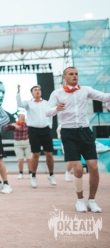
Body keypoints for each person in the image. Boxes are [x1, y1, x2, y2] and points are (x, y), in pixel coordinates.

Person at [46, 66, 110, 213]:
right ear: (64, 77)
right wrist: (56, 109)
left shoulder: (86, 90)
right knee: (79, 169)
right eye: (71, 74)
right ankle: (80, 200)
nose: (74, 76)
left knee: (93, 167)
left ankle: (92, 200)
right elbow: (47, 112)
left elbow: (104, 97)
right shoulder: (57, 93)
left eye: (76, 74)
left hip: (85, 131)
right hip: (68, 132)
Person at [16, 84, 55, 188]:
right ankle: (33, 176)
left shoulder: (46, 103)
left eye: (39, 90)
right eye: (35, 90)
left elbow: (50, 114)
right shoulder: (28, 103)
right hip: (34, 130)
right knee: (36, 154)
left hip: (46, 129)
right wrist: (18, 92)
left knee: (49, 153)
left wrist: (50, 125)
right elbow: (19, 104)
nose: (37, 91)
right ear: (32, 93)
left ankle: (51, 175)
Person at [3, 113, 32, 180]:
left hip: (27, 143)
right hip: (18, 144)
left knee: (29, 159)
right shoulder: (15, 125)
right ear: (18, 118)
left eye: (24, 117)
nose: (23, 118)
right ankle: (20, 173)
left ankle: (30, 173)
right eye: (21, 117)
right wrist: (13, 125)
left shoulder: (27, 125)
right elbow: (5, 128)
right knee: (20, 159)